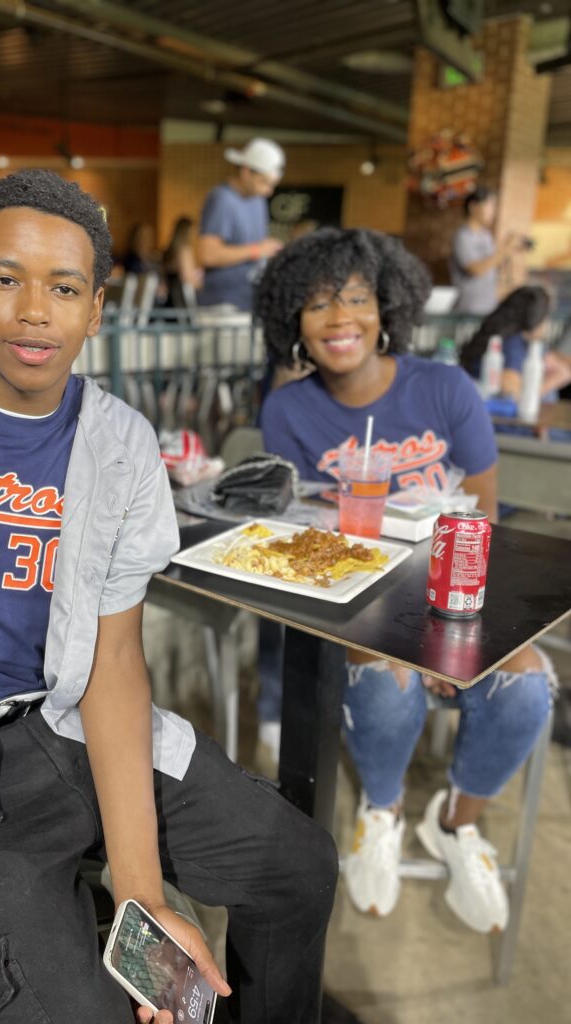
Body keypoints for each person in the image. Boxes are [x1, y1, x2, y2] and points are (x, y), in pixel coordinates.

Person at [0, 168, 337, 1023]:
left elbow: (114, 662)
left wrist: (142, 897)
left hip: (69, 729)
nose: (32, 310)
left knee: (297, 864)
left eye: (64, 286)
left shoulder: (122, 445)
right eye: (6, 279)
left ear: (96, 309)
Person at [254, 227, 554, 935]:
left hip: (458, 593)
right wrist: (405, 641)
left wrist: (464, 636)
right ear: (291, 319)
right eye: (317, 303)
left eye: (356, 298)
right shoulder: (287, 411)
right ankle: (381, 809)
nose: (339, 318)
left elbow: (485, 514)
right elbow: (303, 548)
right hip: (359, 601)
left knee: (529, 682)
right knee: (385, 676)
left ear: (388, 307)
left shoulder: (444, 388)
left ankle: (454, 823)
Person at [197, 138, 285, 312]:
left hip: (251, 300)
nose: (268, 190)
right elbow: (206, 254)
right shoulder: (222, 199)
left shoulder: (257, 200)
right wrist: (256, 250)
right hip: (224, 304)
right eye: (263, 182)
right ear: (246, 172)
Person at [459, 284, 571, 401]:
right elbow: (512, 393)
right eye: (546, 316)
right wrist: (554, 379)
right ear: (536, 318)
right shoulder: (512, 344)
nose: (547, 323)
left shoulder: (521, 341)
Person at [449, 185, 525, 315]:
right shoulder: (463, 236)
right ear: (473, 207)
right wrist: (505, 250)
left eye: (494, 207)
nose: (492, 211)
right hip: (468, 309)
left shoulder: (486, 236)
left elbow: (492, 265)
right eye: (489, 206)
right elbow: (476, 270)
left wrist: (510, 250)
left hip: (489, 307)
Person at [162, 216, 203, 309]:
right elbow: (187, 278)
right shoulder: (184, 250)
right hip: (182, 306)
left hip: (171, 302)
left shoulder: (169, 252)